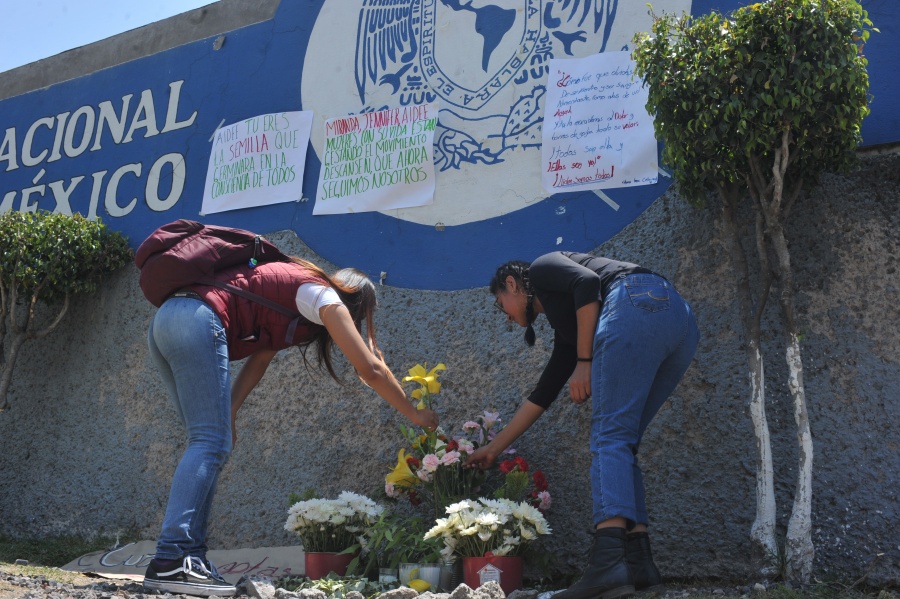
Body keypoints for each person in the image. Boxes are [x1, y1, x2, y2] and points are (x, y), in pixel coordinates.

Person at [143, 257, 438, 597]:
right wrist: (416, 415)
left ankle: (188, 558)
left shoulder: (295, 295)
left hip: (167, 321)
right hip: (196, 322)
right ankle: (170, 557)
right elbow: (369, 370)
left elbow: (260, 360)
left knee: (209, 442)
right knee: (209, 442)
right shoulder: (325, 296)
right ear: (356, 303)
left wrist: (231, 412)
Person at [466, 251, 698, 599]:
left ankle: (607, 565)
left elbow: (587, 282)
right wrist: (494, 448)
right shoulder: (571, 329)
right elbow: (542, 395)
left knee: (610, 437)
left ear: (512, 284)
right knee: (624, 440)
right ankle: (639, 563)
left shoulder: (543, 266)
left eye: (502, 305)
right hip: (678, 321)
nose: (508, 318)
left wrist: (585, 361)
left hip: (634, 302)